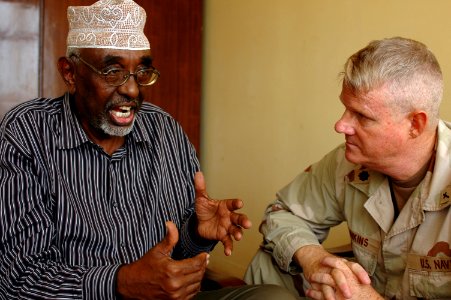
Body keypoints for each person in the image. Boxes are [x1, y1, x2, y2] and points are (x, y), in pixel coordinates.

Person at [0, 1, 296, 299]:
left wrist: (195, 232)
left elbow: (175, 257)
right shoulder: (28, 132)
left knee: (273, 297)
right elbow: (18, 279)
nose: (132, 90)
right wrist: (121, 282)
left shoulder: (163, 130)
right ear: (70, 73)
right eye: (112, 71)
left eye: (141, 71)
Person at [244, 37, 451, 300]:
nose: (341, 125)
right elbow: (282, 213)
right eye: (345, 109)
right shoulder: (348, 161)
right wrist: (315, 259)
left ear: (415, 124)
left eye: (362, 116)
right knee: (271, 262)